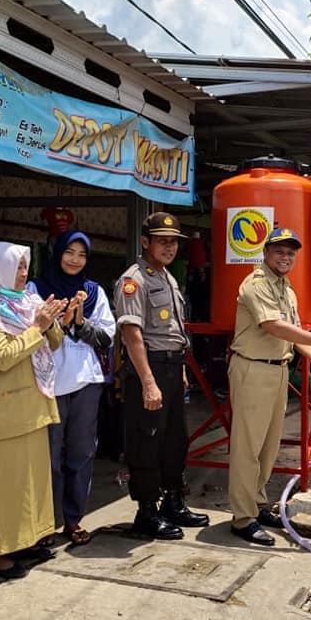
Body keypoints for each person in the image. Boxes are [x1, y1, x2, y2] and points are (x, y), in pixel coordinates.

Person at [227, 227, 311, 545]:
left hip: (278, 370)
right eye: (279, 251)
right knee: (247, 447)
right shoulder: (255, 284)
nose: (286, 257)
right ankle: (242, 518)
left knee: (268, 446)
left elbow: (290, 333)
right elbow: (272, 325)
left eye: (291, 252)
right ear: (265, 253)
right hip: (252, 369)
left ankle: (258, 503)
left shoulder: (286, 289)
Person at [0, 242, 66, 579]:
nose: (24, 274)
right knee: (3, 486)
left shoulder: (29, 302)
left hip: (34, 402)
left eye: (25, 267)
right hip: (3, 406)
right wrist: (38, 326)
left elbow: (56, 342)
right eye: (17, 267)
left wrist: (50, 322)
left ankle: (29, 539)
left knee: (33, 480)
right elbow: (3, 357)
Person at [114, 212, 208, 540]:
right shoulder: (134, 279)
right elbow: (132, 334)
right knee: (147, 442)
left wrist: (179, 368)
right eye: (162, 241)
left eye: (173, 242)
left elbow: (174, 331)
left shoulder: (167, 277)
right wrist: (149, 381)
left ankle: (173, 502)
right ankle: (147, 512)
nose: (169, 247)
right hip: (147, 368)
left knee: (174, 440)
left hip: (170, 366)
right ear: (145, 242)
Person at [29, 230, 115, 546]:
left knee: (81, 452)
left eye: (82, 254)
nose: (75, 260)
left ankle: (74, 519)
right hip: (47, 383)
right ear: (57, 252)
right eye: (69, 252)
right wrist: (56, 321)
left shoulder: (93, 292)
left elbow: (107, 337)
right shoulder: (36, 289)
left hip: (85, 382)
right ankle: (46, 523)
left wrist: (79, 323)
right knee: (48, 456)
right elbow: (26, 331)